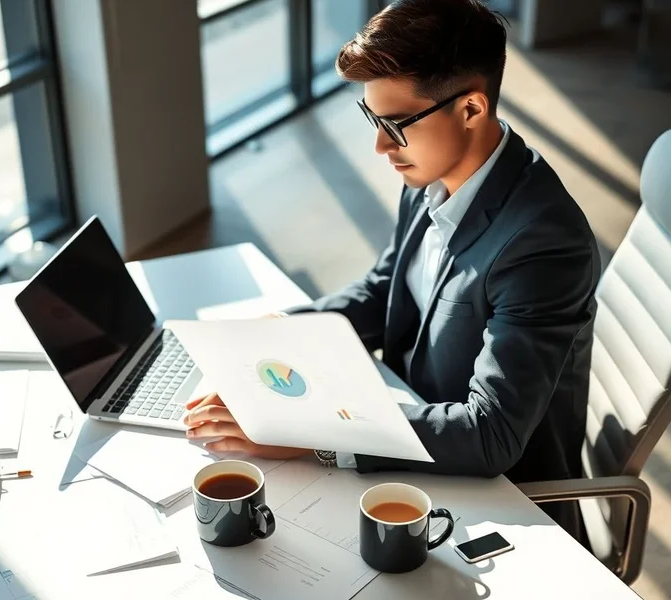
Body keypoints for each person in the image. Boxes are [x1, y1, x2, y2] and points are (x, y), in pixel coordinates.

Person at [184, 0, 600, 545]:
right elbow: (385, 292)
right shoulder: (433, 174)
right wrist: (270, 340)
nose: (380, 146)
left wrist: (317, 438)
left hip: (499, 503)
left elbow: (490, 433)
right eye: (373, 119)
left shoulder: (544, 243)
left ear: (472, 108)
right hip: (410, 429)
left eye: (395, 125)